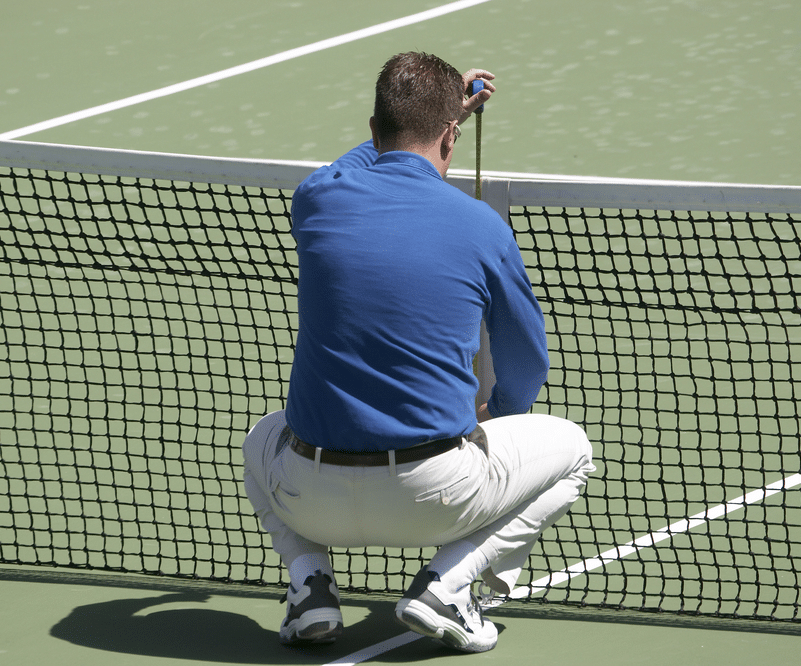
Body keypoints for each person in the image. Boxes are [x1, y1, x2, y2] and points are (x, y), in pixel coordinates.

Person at [242, 51, 595, 653]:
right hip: (434, 498)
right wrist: (500, 413)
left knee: (261, 437)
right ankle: (448, 587)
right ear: (451, 136)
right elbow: (526, 358)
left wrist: (428, 113)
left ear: (375, 129)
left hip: (308, 497)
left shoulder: (317, 199)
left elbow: (362, 156)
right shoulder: (482, 226)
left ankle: (310, 588)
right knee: (573, 449)